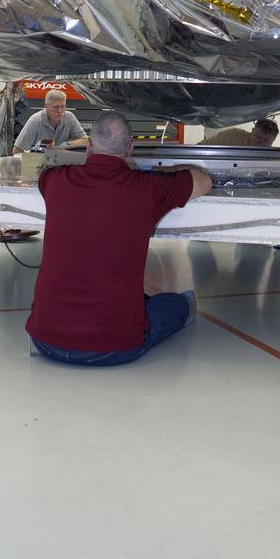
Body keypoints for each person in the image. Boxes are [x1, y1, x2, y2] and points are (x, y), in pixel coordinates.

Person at [26, 111, 212, 367]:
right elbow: (204, 181)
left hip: (45, 340)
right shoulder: (147, 187)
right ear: (130, 148)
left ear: (89, 146)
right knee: (181, 302)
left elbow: (44, 174)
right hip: (113, 347)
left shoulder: (55, 180)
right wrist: (166, 171)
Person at [12, 89, 88, 153]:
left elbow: (86, 141)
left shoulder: (69, 117)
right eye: (55, 107)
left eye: (62, 106)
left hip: (61, 161)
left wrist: (65, 145)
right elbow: (17, 151)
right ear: (46, 106)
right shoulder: (35, 121)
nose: (60, 111)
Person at [199, 118, 279, 148]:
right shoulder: (233, 135)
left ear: (274, 140)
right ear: (252, 131)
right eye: (258, 137)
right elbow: (202, 146)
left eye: (266, 141)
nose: (261, 143)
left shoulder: (272, 157)